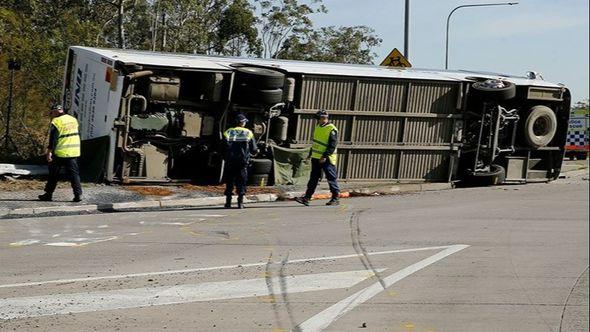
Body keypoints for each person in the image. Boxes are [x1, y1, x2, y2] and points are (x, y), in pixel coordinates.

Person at [295, 109, 340, 206]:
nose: (318, 120)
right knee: (313, 178)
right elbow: (316, 142)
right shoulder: (318, 127)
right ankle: (306, 198)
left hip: (326, 158)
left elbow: (332, 145)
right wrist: (310, 154)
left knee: (331, 178)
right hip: (316, 157)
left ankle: (335, 198)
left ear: (324, 118)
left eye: (319, 118)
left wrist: (324, 156)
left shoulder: (332, 129)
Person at [38, 104, 83, 202]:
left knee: (53, 174)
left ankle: (48, 194)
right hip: (73, 151)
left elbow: (53, 139)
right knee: (74, 174)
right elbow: (78, 134)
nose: (52, 114)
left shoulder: (56, 121)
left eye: (52, 112)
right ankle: (78, 195)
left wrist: (49, 151)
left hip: (60, 152)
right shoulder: (73, 119)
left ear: (55, 111)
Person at [222, 113, 258, 209]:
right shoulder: (248, 133)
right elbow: (254, 149)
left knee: (229, 181)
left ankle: (228, 203)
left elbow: (223, 146)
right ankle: (240, 203)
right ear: (243, 123)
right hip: (242, 162)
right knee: (241, 181)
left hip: (230, 161)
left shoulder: (228, 132)